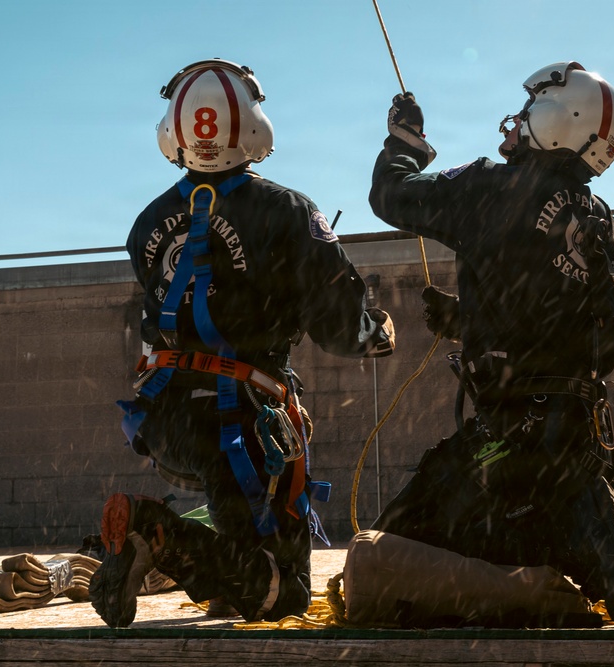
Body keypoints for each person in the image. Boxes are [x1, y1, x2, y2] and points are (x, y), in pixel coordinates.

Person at [89, 59, 396, 628]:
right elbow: (341, 328)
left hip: (167, 423)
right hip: (244, 430)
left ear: (175, 130)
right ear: (252, 124)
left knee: (240, 563)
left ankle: (202, 565)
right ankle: (152, 533)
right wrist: (376, 332)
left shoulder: (145, 222)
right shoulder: (287, 213)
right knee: (287, 595)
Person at [367, 61, 614, 627]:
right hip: (581, 438)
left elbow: (392, 194)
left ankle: (548, 549)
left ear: (557, 120)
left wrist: (405, 141)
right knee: (528, 511)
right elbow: (563, 321)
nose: (518, 121)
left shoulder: (494, 187)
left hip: (504, 437)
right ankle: (591, 516)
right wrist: (467, 319)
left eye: (530, 110)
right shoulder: (607, 226)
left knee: (389, 552)